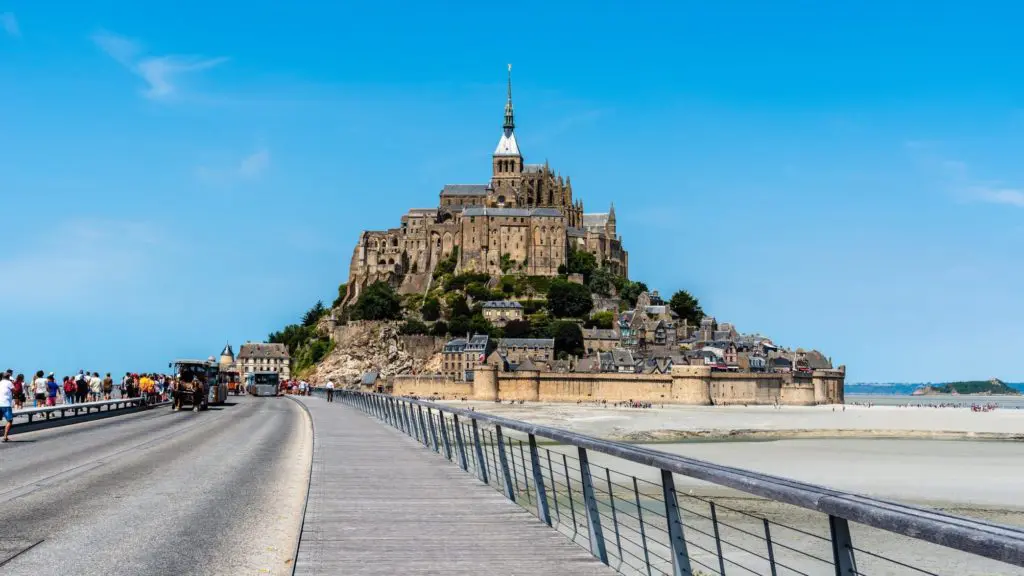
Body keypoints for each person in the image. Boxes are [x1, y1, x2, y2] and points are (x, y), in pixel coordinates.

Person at [1, 371, 14, 442]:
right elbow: (14, 390)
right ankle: (5, 436)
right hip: (6, 404)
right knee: (10, 420)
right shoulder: (9, 382)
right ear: (8, 377)